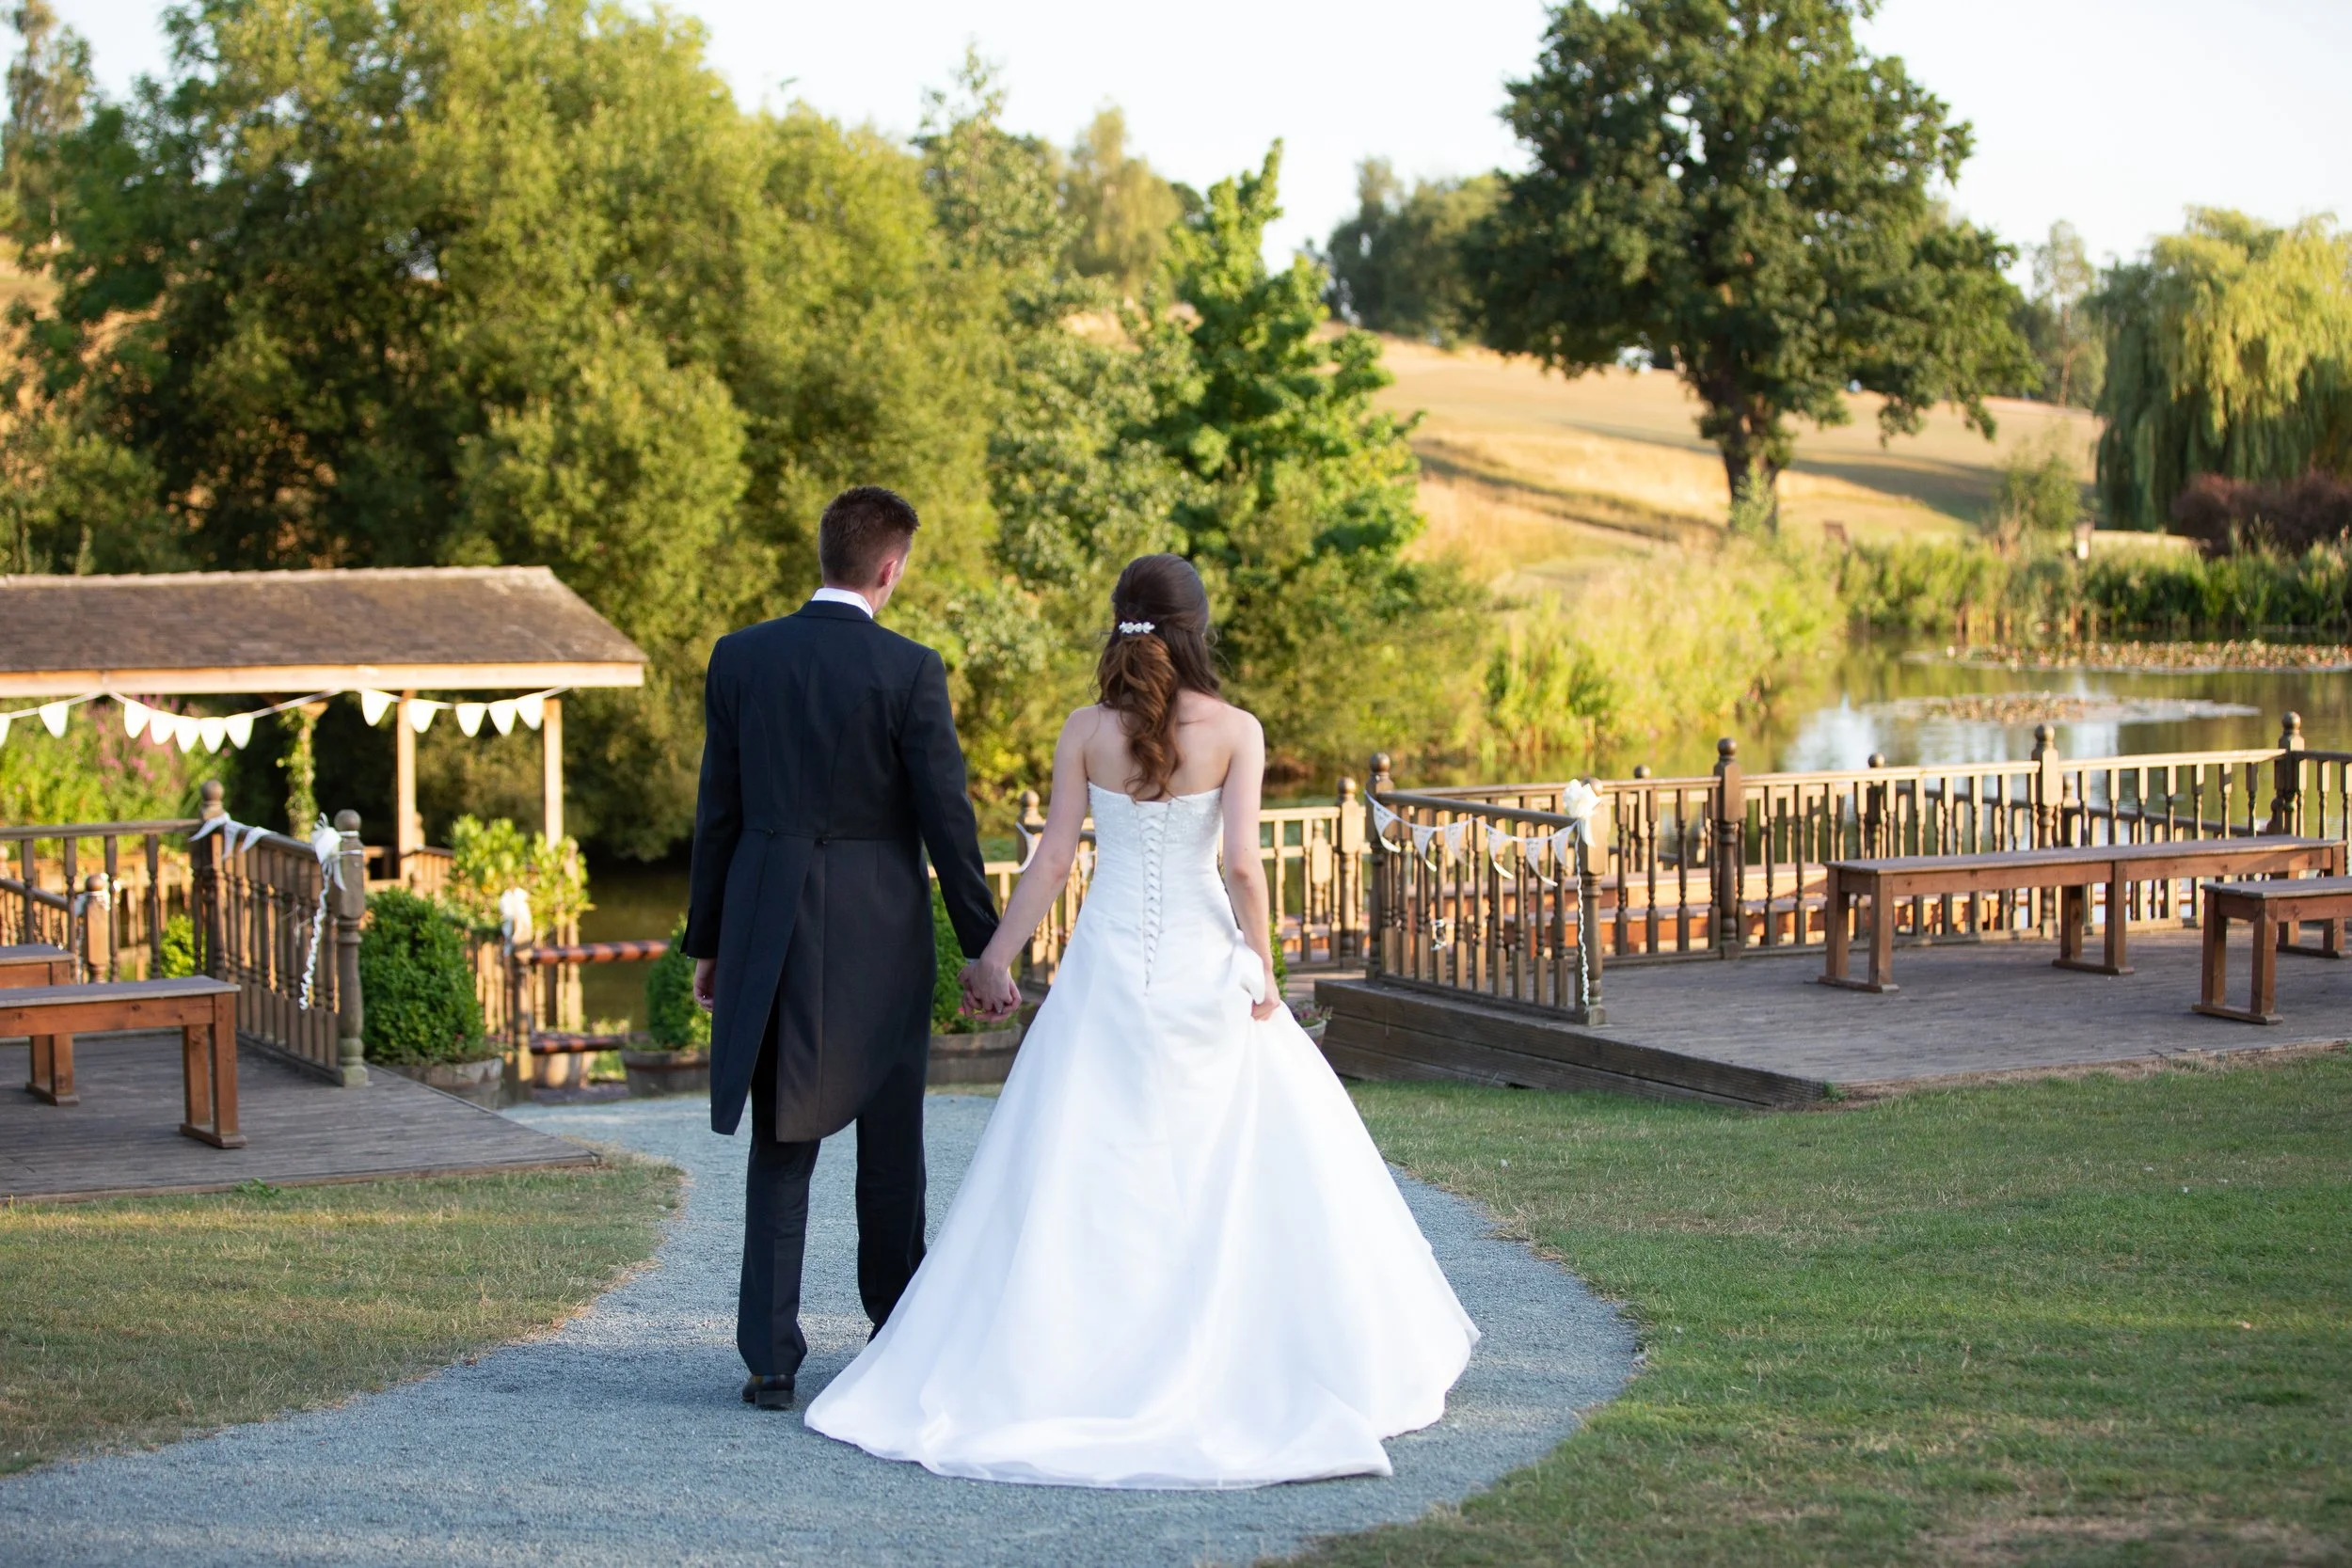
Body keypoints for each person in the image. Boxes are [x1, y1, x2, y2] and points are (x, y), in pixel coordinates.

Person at [804, 553, 1478, 1488]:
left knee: (1085, 1157)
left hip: (1107, 969)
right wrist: (1263, 969)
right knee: (1230, 1154)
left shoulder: (1085, 730)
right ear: (1199, 628)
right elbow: (1243, 864)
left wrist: (995, 955)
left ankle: (1065, 1359)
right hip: (1205, 966)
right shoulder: (1237, 729)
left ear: (1119, 624)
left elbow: (1047, 865)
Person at [682, 484, 1004, 1413]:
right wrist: (984, 947)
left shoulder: (740, 657)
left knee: (782, 1143)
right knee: (890, 1143)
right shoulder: (910, 669)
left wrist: (709, 939)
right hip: (879, 928)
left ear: (824, 553)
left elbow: (719, 812)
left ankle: (770, 1359)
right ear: (890, 568)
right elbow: (948, 817)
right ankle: (895, 1331)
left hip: (769, 921)